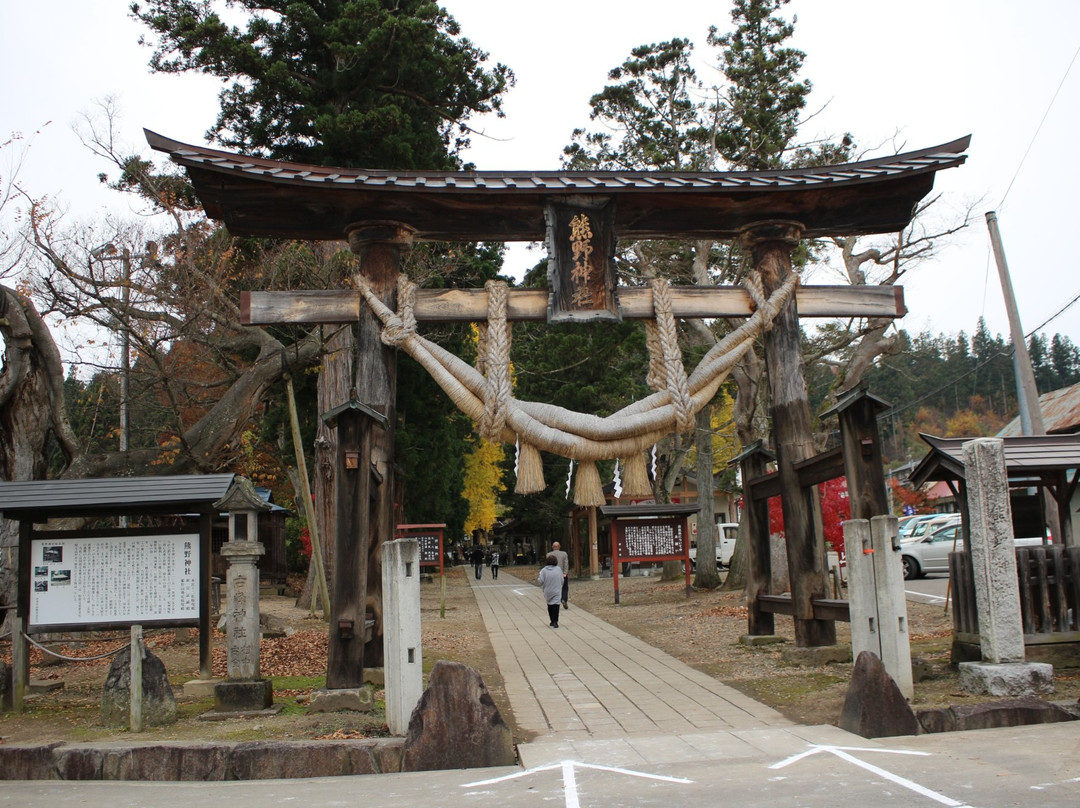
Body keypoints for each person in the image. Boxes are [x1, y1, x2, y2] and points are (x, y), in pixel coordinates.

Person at [537, 553, 563, 628]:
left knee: (550, 605)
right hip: (557, 590)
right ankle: (556, 621)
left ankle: (552, 620)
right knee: (556, 605)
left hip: (548, 590)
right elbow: (562, 580)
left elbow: (540, 581)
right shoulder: (558, 569)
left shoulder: (544, 570)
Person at [551, 541, 569, 609]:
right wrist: (565, 573)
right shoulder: (564, 554)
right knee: (564, 588)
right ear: (559, 547)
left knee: (555, 588)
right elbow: (566, 564)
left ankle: (555, 602)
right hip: (562, 574)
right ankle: (564, 599)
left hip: (552, 575)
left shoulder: (549, 555)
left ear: (552, 547)